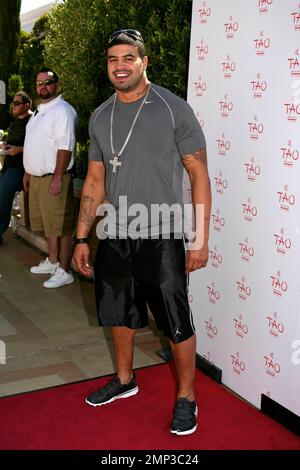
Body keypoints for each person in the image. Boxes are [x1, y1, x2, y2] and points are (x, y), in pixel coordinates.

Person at [73, 29, 211, 435]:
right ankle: (124, 380)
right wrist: (83, 235)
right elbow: (95, 181)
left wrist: (200, 239)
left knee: (174, 320)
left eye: (128, 57)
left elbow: (199, 175)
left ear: (144, 61)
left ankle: (187, 398)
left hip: (164, 232)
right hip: (115, 232)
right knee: (118, 311)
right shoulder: (100, 115)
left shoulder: (172, 108)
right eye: (113, 58)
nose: (120, 65)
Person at [23, 68, 77, 288]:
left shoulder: (62, 110)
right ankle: (53, 261)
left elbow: (65, 146)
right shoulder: (39, 111)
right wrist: (28, 171)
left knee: (62, 226)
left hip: (53, 178)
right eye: (39, 83)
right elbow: (35, 144)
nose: (43, 86)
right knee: (47, 225)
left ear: (57, 84)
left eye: (48, 82)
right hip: (37, 178)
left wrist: (57, 177)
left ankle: (65, 271)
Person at [0, 91, 32, 246]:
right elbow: (12, 139)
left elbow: (38, 146)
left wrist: (18, 150)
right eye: (13, 102)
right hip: (8, 165)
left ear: (27, 105)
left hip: (20, 168)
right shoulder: (15, 121)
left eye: (17, 103)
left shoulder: (32, 121)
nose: (13, 105)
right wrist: (5, 145)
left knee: (3, 195)